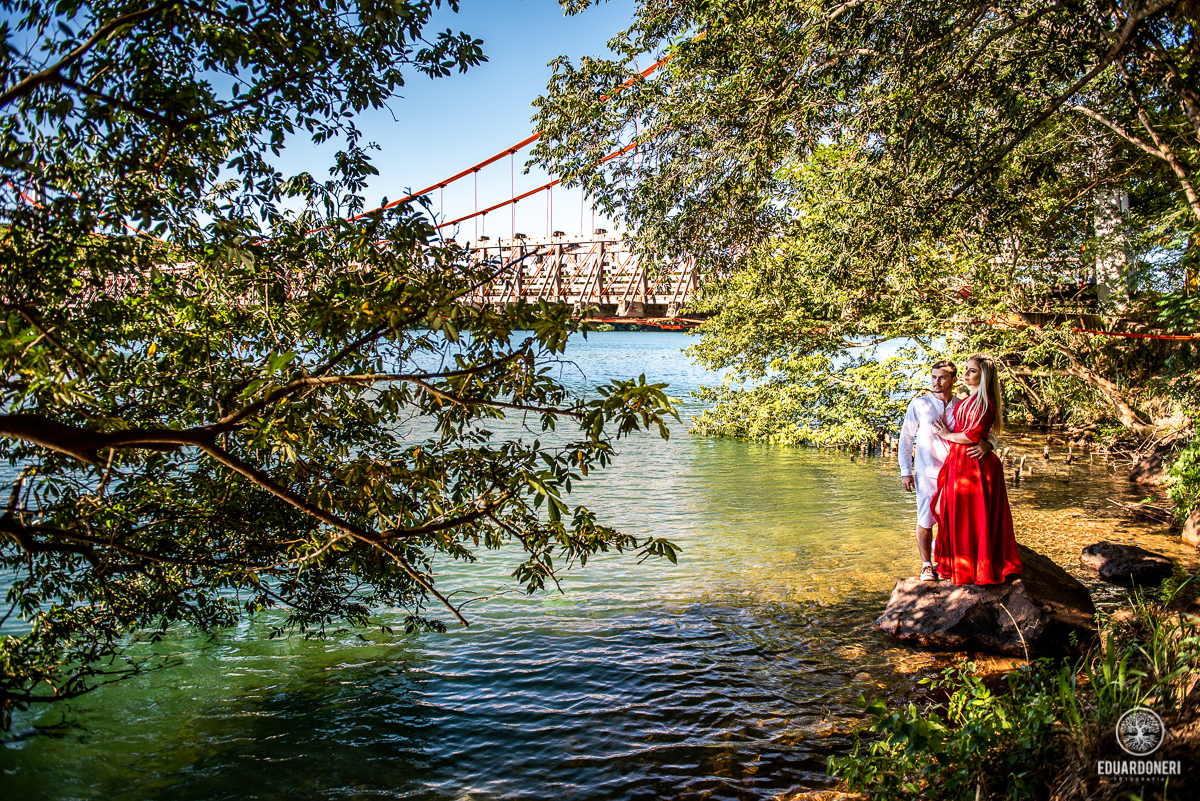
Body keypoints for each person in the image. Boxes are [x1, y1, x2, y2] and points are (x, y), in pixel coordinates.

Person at [930, 355, 1022, 586]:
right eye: (966, 370)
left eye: (972, 371)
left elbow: (972, 435)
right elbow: (981, 434)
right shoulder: (967, 400)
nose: (966, 374)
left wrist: (948, 436)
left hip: (973, 464)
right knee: (945, 510)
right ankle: (959, 564)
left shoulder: (985, 401)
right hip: (960, 461)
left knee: (972, 518)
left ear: (984, 375)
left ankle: (974, 568)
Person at [898, 360, 992, 582]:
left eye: (941, 378)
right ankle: (926, 565)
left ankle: (949, 560)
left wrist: (990, 444)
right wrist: (905, 471)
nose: (935, 382)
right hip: (927, 471)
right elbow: (906, 438)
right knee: (926, 518)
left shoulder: (963, 404)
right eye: (933, 377)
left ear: (953, 380)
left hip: (957, 471)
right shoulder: (920, 404)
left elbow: (980, 431)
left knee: (952, 519)